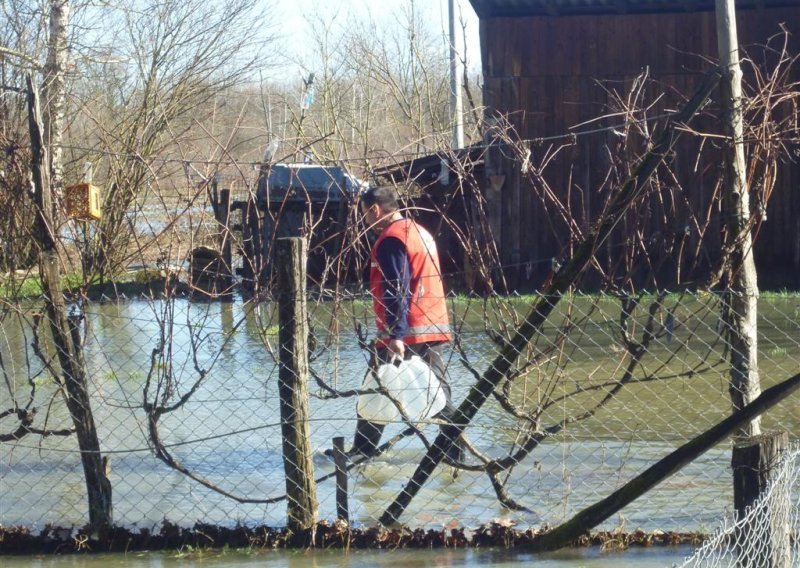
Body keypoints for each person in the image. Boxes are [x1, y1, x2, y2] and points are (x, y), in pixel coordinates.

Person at [341, 185, 463, 463]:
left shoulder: (391, 239)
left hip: (405, 332)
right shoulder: (419, 232)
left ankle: (362, 453)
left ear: (374, 210)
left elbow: (396, 288)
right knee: (427, 392)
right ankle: (454, 455)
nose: (366, 221)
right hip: (430, 324)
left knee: (381, 389)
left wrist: (396, 333)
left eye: (365, 214)